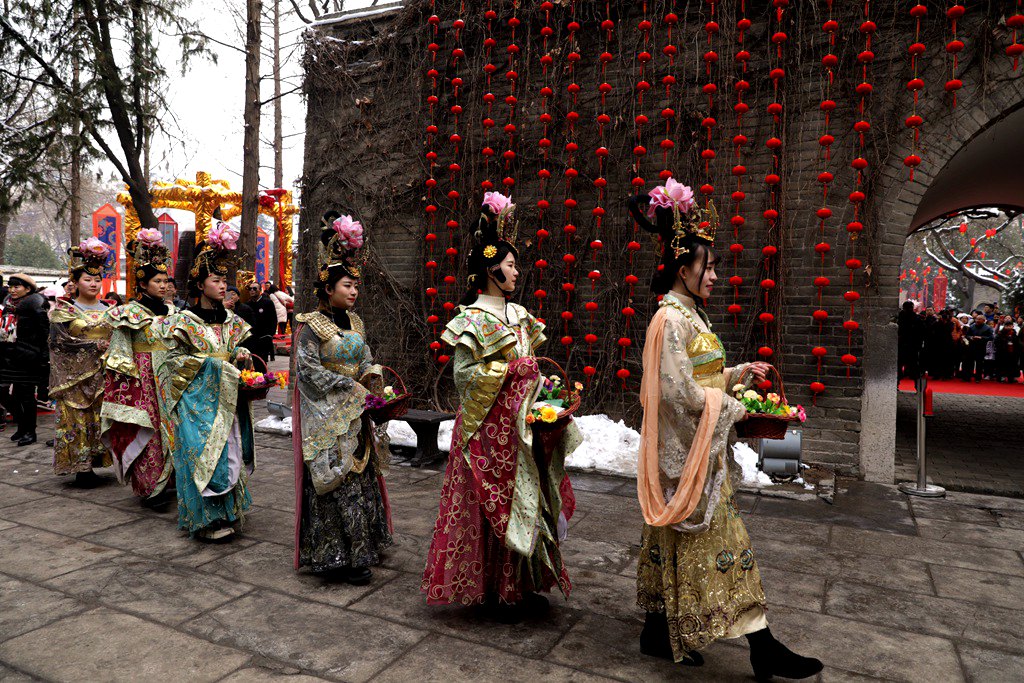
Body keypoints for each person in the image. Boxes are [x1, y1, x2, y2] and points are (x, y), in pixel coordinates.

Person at [628, 179, 822, 679]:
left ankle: (655, 629)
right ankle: (762, 645)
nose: (714, 274)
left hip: (701, 448)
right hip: (689, 452)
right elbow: (678, 395)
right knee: (728, 545)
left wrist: (737, 375)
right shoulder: (669, 321)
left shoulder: (690, 314)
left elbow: (701, 379)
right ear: (682, 267)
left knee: (669, 539)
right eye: (707, 266)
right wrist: (733, 409)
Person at [422, 192, 581, 621]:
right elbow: (464, 378)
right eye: (509, 264)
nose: (516, 270)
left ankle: (522, 584)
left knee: (529, 502)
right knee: (493, 506)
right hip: (486, 435)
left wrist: (544, 389)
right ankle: (492, 589)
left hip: (524, 430)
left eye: (514, 264)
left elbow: (533, 371)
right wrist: (513, 373)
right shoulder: (471, 319)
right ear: (491, 269)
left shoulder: (522, 316)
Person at [292, 212, 393, 583]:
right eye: (348, 285)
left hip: (356, 412)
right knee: (339, 478)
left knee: (361, 475)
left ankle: (362, 547)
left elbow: (365, 361)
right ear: (328, 286)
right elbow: (306, 371)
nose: (354, 291)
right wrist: (347, 387)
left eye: (356, 285)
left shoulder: (357, 323)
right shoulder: (311, 324)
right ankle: (337, 553)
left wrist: (375, 382)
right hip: (328, 414)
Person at [158, 222, 255, 541]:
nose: (223, 285)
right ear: (200, 284)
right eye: (216, 279)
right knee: (203, 455)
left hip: (226, 402)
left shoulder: (232, 321)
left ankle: (227, 512)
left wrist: (239, 354)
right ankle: (205, 521)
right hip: (196, 405)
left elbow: (231, 350)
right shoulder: (183, 323)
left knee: (227, 455)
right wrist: (218, 366)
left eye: (225, 279)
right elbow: (173, 364)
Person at [102, 230, 177, 505]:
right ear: (143, 284)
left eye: (166, 280)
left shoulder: (173, 313)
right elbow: (119, 352)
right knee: (150, 431)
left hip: (171, 378)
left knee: (174, 428)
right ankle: (151, 487)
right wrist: (130, 386)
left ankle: (173, 479)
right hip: (143, 381)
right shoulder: (130, 313)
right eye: (157, 281)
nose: (163, 285)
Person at [50, 239, 113, 484]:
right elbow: (60, 343)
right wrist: (93, 345)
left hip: (102, 374)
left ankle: (97, 462)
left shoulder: (110, 309)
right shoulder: (64, 310)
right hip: (74, 377)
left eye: (97, 280)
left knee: (99, 420)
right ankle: (81, 467)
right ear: (74, 284)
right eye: (88, 280)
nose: (94, 284)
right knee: (76, 421)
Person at [0, 274, 50, 446]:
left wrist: (43, 358)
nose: (12, 290)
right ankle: (22, 426)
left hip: (28, 356)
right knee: (4, 393)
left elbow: (45, 334)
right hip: (8, 354)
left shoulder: (36, 306)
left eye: (17, 287)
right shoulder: (8, 305)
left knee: (26, 395)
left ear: (28, 289)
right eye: (10, 286)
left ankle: (29, 431)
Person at [236, 282, 278, 364]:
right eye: (250, 289)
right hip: (251, 338)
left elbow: (273, 319)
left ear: (260, 290)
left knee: (262, 361)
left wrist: (270, 334)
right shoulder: (247, 305)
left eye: (254, 288)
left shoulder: (267, 303)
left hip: (264, 337)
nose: (252, 290)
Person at [962, 314, 994, 382]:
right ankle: (968, 376)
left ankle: (978, 378)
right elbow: (967, 335)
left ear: (983, 320)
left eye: (979, 319)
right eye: (976, 319)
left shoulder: (988, 328)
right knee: (970, 362)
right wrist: (971, 337)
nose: (977, 320)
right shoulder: (972, 326)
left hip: (981, 347)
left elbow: (991, 337)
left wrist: (981, 338)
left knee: (979, 363)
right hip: (972, 346)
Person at [897, 301, 923, 380]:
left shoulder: (899, 317)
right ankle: (915, 379)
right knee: (912, 362)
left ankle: (901, 377)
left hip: (904, 343)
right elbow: (921, 332)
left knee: (900, 362)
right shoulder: (916, 317)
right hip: (910, 344)